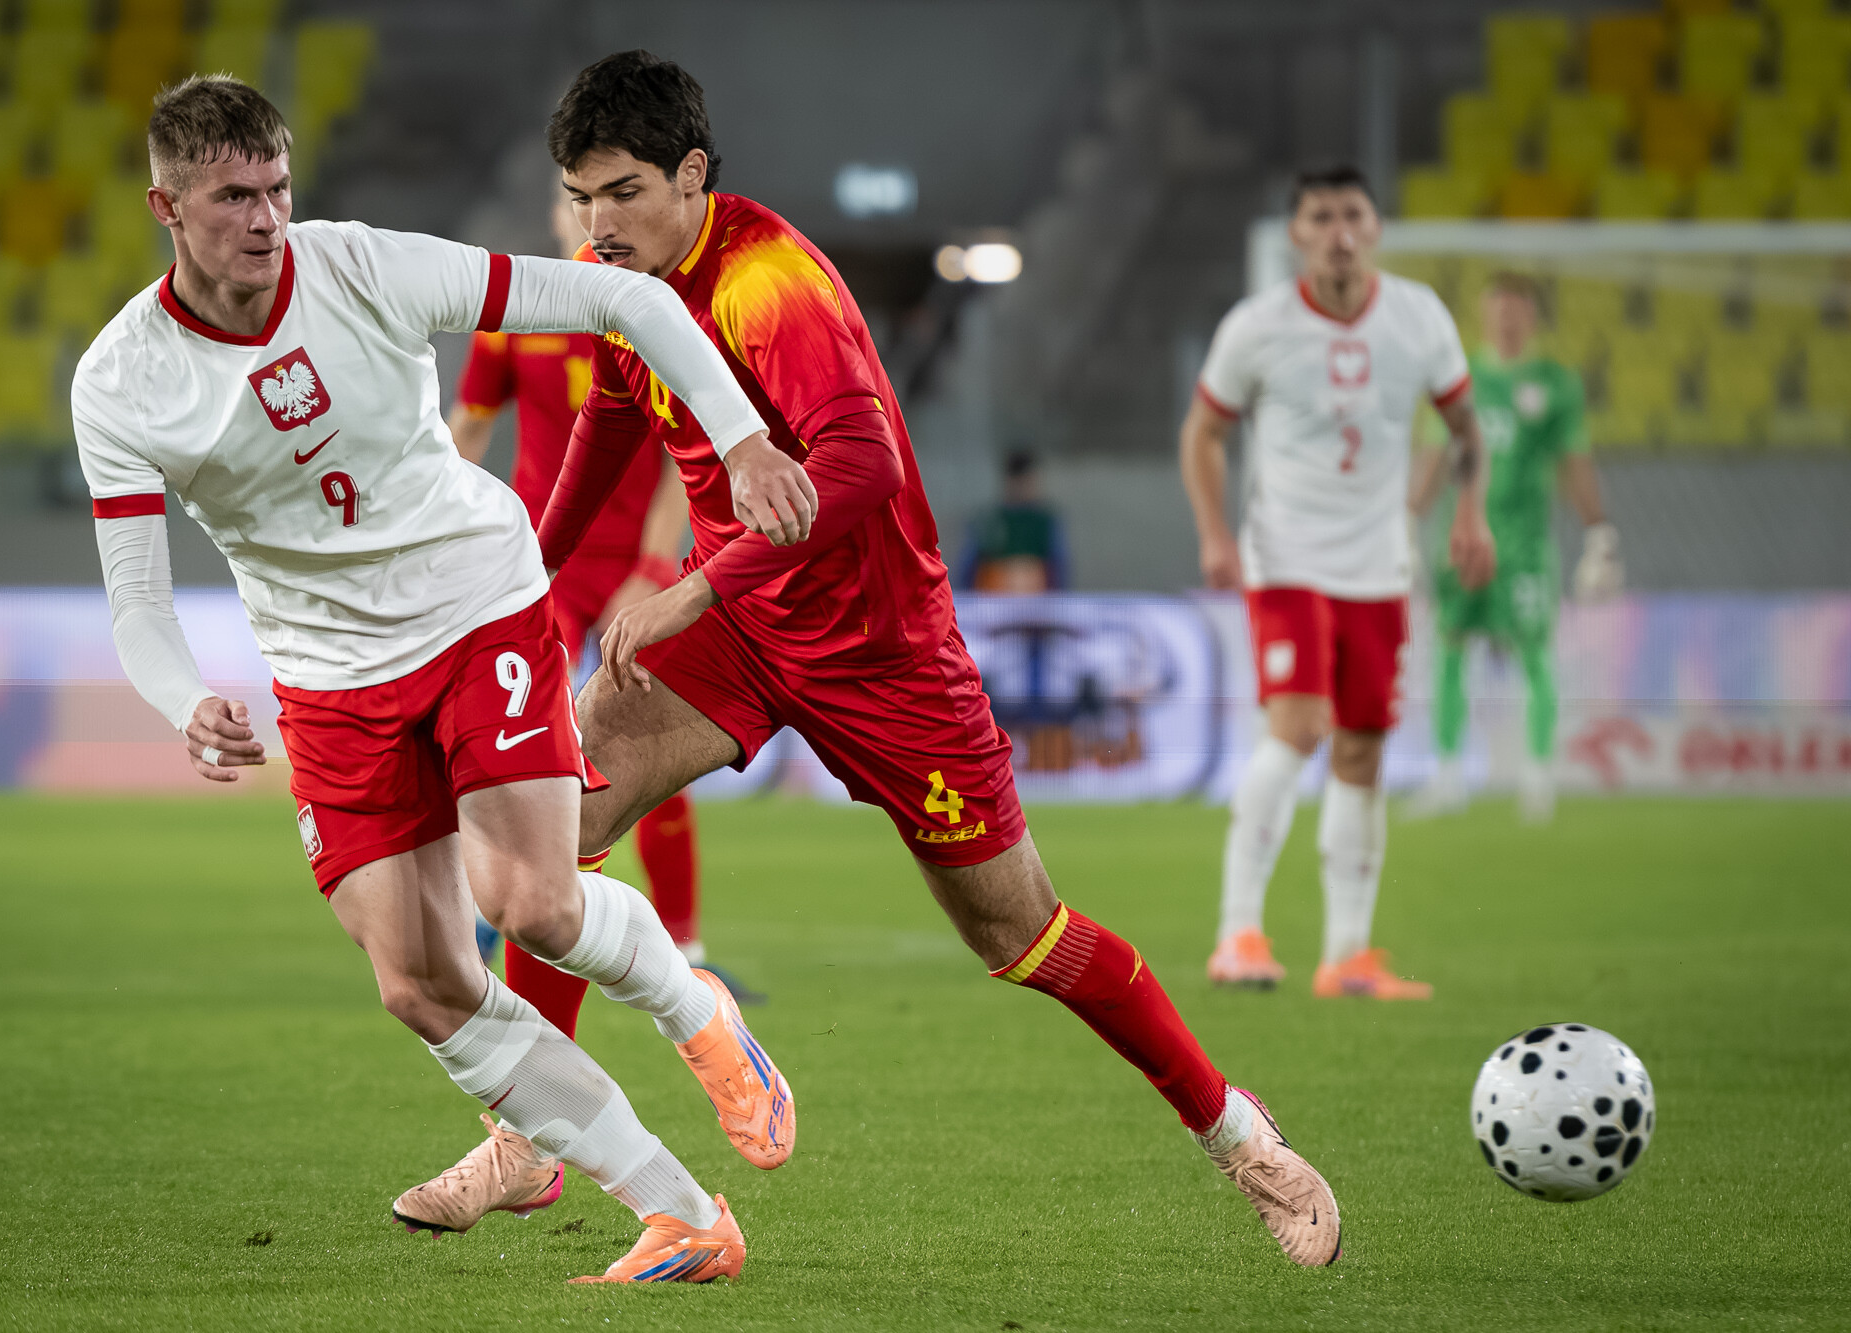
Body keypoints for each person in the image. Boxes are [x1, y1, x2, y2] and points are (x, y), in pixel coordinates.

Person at [534, 50, 1341, 1267]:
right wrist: (526, 575)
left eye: (622, 193)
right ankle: (534, 1134)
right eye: (581, 197)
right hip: (741, 630)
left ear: (691, 174)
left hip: (882, 654)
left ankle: (1236, 1131)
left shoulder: (767, 285)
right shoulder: (624, 283)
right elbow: (608, 417)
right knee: (551, 824)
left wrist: (688, 585)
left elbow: (861, 470)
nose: (597, 224)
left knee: (1020, 935)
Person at [74, 75, 811, 1283]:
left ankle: (695, 1009)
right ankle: (681, 1214)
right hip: (327, 681)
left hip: (474, 607)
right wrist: (182, 698)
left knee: (532, 903)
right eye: (233, 197)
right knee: (420, 984)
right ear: (166, 206)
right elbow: (138, 600)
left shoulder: (362, 266)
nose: (265, 218)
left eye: (277, 188)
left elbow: (621, 296)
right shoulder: (121, 379)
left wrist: (741, 439)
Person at [1180, 164, 1496, 1000]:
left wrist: (1470, 513)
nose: (1339, 233)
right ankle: (1238, 934)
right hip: (1287, 557)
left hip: (1379, 563)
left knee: (1362, 744)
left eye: (1352, 214)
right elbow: (1203, 431)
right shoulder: (1258, 326)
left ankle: (1347, 955)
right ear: (1297, 234)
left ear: (1376, 227)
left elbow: (1466, 427)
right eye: (1320, 217)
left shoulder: (1419, 317)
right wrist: (1214, 532)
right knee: (1298, 725)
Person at [448, 201, 756, 1030]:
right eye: (575, 198)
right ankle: (493, 915)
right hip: (541, 564)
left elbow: (681, 457)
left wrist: (654, 570)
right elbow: (467, 430)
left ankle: (687, 949)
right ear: (558, 211)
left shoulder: (650, 311)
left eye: (605, 199)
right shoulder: (514, 317)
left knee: (647, 744)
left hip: (636, 566)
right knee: (521, 752)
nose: (590, 216)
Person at [1409, 272, 1620, 823]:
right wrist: (1407, 522)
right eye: (1497, 308)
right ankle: (1448, 776)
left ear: (1531, 316)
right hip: (1462, 540)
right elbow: (1435, 453)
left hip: (1524, 543)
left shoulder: (1555, 384)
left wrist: (1598, 531)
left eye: (1516, 309)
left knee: (1535, 651)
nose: (1506, 319)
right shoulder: (1457, 378)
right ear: (1484, 314)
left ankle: (1538, 779)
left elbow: (1574, 460)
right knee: (1450, 647)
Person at [957, 450, 1070, 593]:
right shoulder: (989, 520)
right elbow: (968, 568)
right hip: (992, 600)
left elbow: (1060, 567)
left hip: (1036, 602)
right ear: (1011, 480)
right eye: (1024, 480)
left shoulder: (1046, 521)